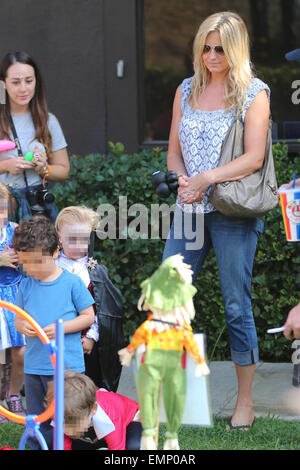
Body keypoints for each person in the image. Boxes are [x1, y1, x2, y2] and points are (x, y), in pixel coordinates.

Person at [163, 11, 270, 430]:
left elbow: (254, 156)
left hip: (232, 212)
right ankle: (176, 398)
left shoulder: (253, 93)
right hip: (189, 211)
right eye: (205, 47)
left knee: (236, 306)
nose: (211, 55)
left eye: (220, 49)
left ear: (235, 49)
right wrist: (180, 180)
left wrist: (206, 179)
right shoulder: (186, 89)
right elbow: (173, 149)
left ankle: (245, 401)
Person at [12, 215, 95, 449]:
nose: (30, 269)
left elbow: (88, 316)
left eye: (37, 262)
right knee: (37, 418)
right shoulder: (26, 285)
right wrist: (22, 326)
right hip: (34, 366)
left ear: (56, 252)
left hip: (66, 368)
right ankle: (38, 445)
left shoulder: (71, 283)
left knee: (67, 417)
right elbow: (18, 318)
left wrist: (61, 329)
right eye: (25, 263)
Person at [55, 206, 126, 392]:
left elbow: (101, 309)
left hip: (85, 341)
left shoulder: (93, 271)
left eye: (84, 240)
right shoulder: (51, 267)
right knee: (60, 382)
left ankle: (89, 417)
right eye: (72, 240)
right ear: (59, 237)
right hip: (56, 337)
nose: (79, 245)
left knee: (88, 383)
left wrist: (92, 337)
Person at [0, 51, 69, 222]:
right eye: (16, 82)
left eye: (29, 81)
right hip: (3, 204)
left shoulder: (48, 120)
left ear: (36, 82)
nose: (23, 88)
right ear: (3, 85)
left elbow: (63, 170)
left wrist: (43, 168)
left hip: (36, 204)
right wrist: (6, 165)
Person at [44, 370, 142, 450]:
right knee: (51, 439)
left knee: (134, 445)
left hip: (132, 421)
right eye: (63, 426)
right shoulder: (64, 412)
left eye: (72, 426)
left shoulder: (109, 417)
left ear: (93, 409)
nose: (67, 431)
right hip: (93, 427)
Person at [0, 182, 25, 422]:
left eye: (4, 209)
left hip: (17, 295)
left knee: (21, 352)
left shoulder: (14, 230)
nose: (2, 215)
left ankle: (14, 394)